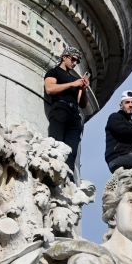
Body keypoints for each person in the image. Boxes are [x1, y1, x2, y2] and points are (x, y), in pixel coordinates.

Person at [44, 46, 89, 176]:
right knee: (56, 145)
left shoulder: (74, 80)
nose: (75, 63)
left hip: (74, 115)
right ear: (65, 57)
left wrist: (84, 89)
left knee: (71, 151)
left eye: (77, 61)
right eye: (73, 59)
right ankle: (51, 176)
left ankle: (67, 179)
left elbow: (83, 103)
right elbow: (50, 89)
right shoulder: (54, 72)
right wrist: (72, 84)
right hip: (60, 110)